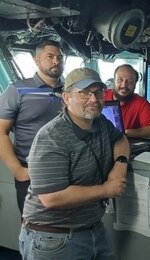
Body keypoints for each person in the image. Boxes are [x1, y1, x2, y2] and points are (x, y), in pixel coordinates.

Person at [19, 67, 130, 259]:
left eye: (98, 92)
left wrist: (120, 165)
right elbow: (51, 198)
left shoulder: (100, 122)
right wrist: (107, 190)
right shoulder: (51, 137)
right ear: (67, 97)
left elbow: (120, 139)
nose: (94, 99)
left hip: (92, 228)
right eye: (84, 93)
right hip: (52, 238)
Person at [0, 40, 64, 214]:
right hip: (30, 171)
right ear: (36, 60)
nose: (56, 61)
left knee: (64, 224)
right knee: (32, 225)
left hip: (65, 168)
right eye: (50, 57)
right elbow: (1, 133)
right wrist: (18, 170)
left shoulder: (70, 92)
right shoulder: (17, 90)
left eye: (60, 57)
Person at [105, 64, 150, 139]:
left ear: (135, 85)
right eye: (120, 80)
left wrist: (125, 133)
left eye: (130, 81)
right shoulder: (100, 97)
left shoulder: (140, 103)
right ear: (114, 81)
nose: (124, 85)